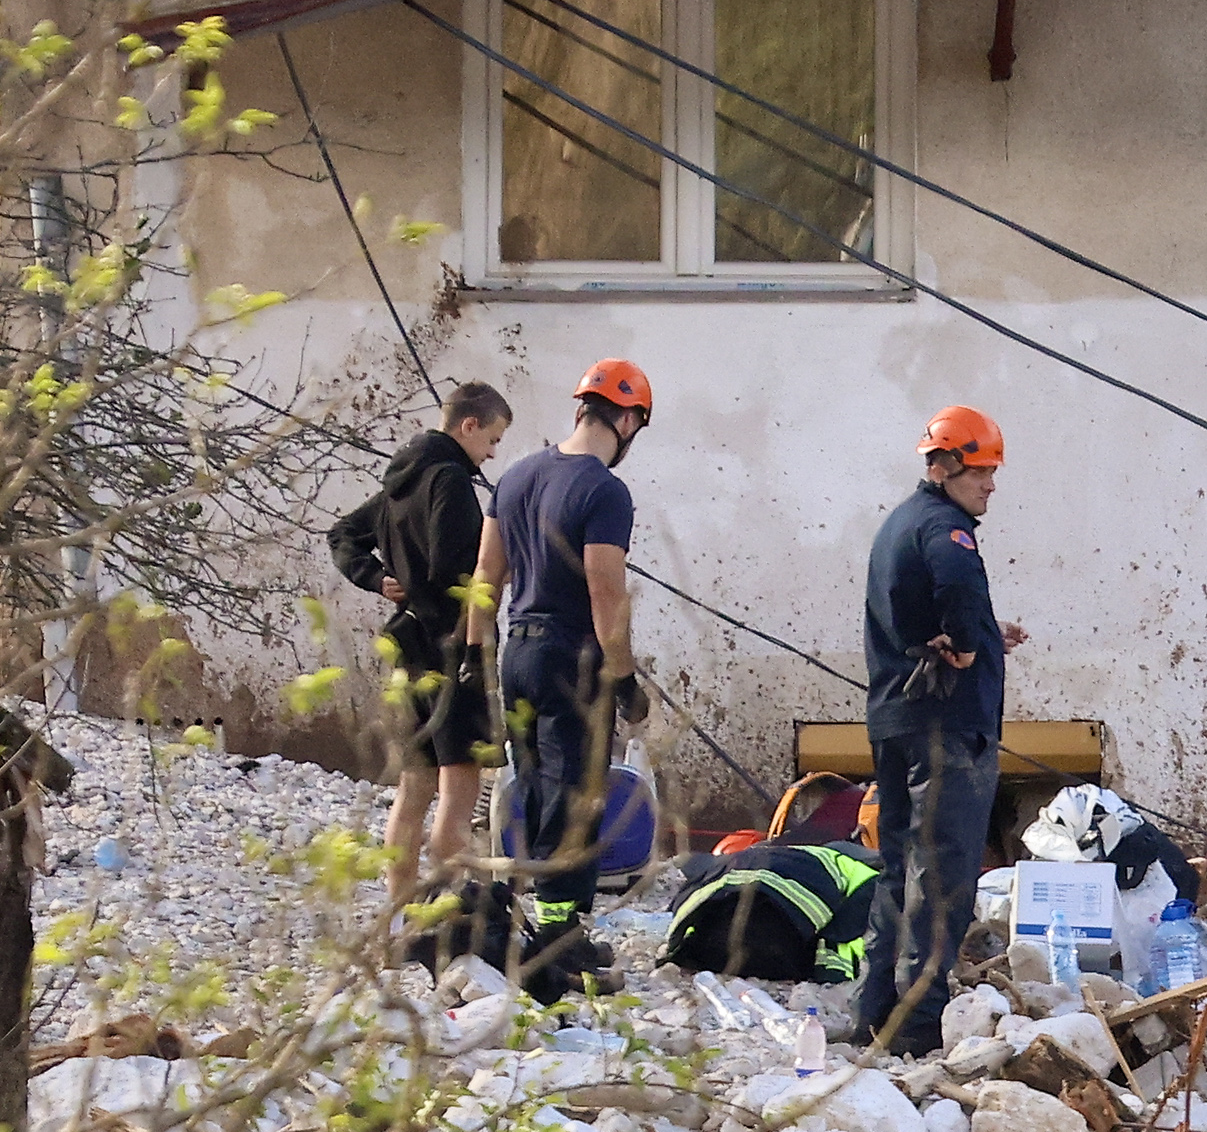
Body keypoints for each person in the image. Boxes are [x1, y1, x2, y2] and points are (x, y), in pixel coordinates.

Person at [478, 358, 656, 997]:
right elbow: (605, 589)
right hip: (572, 656)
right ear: (629, 418)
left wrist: (475, 662)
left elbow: (485, 580)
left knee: (535, 786)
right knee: (578, 794)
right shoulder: (605, 491)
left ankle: (548, 928)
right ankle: (558, 940)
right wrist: (625, 675)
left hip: (517, 651)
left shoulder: (516, 476)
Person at [857, 404, 1027, 1055]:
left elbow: (922, 604)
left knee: (895, 864)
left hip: (895, 719)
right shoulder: (947, 527)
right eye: (982, 471)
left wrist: (984, 632)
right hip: (945, 730)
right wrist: (964, 643)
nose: (990, 485)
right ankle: (920, 1025)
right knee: (943, 873)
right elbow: (954, 581)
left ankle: (872, 1009)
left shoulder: (902, 521)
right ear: (949, 465)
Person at [373, 382, 511, 938]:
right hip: (453, 647)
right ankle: (449, 917)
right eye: (493, 439)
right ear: (468, 426)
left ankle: (398, 915)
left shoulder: (397, 479)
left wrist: (378, 579)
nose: (493, 455)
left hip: (407, 645)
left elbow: (346, 534)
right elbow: (458, 570)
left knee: (412, 790)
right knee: (459, 790)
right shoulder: (451, 481)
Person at [664, 829, 881, 982]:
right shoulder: (866, 875)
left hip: (705, 949)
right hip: (774, 952)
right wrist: (831, 975)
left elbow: (683, 902)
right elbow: (842, 934)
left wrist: (674, 948)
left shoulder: (762, 854)